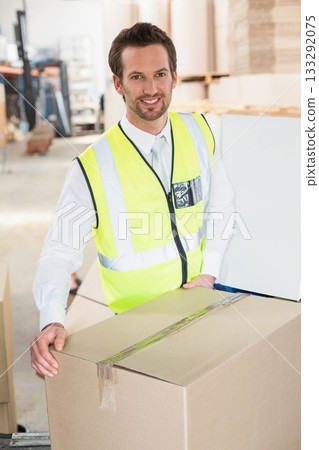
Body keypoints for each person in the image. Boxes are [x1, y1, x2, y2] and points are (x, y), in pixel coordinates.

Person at [31, 22, 234, 377]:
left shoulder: (201, 132)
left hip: (204, 305)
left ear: (174, 76)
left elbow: (222, 206)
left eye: (159, 74)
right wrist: (52, 318)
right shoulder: (91, 167)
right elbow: (58, 252)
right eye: (137, 76)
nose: (151, 88)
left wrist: (210, 271)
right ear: (118, 83)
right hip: (137, 331)